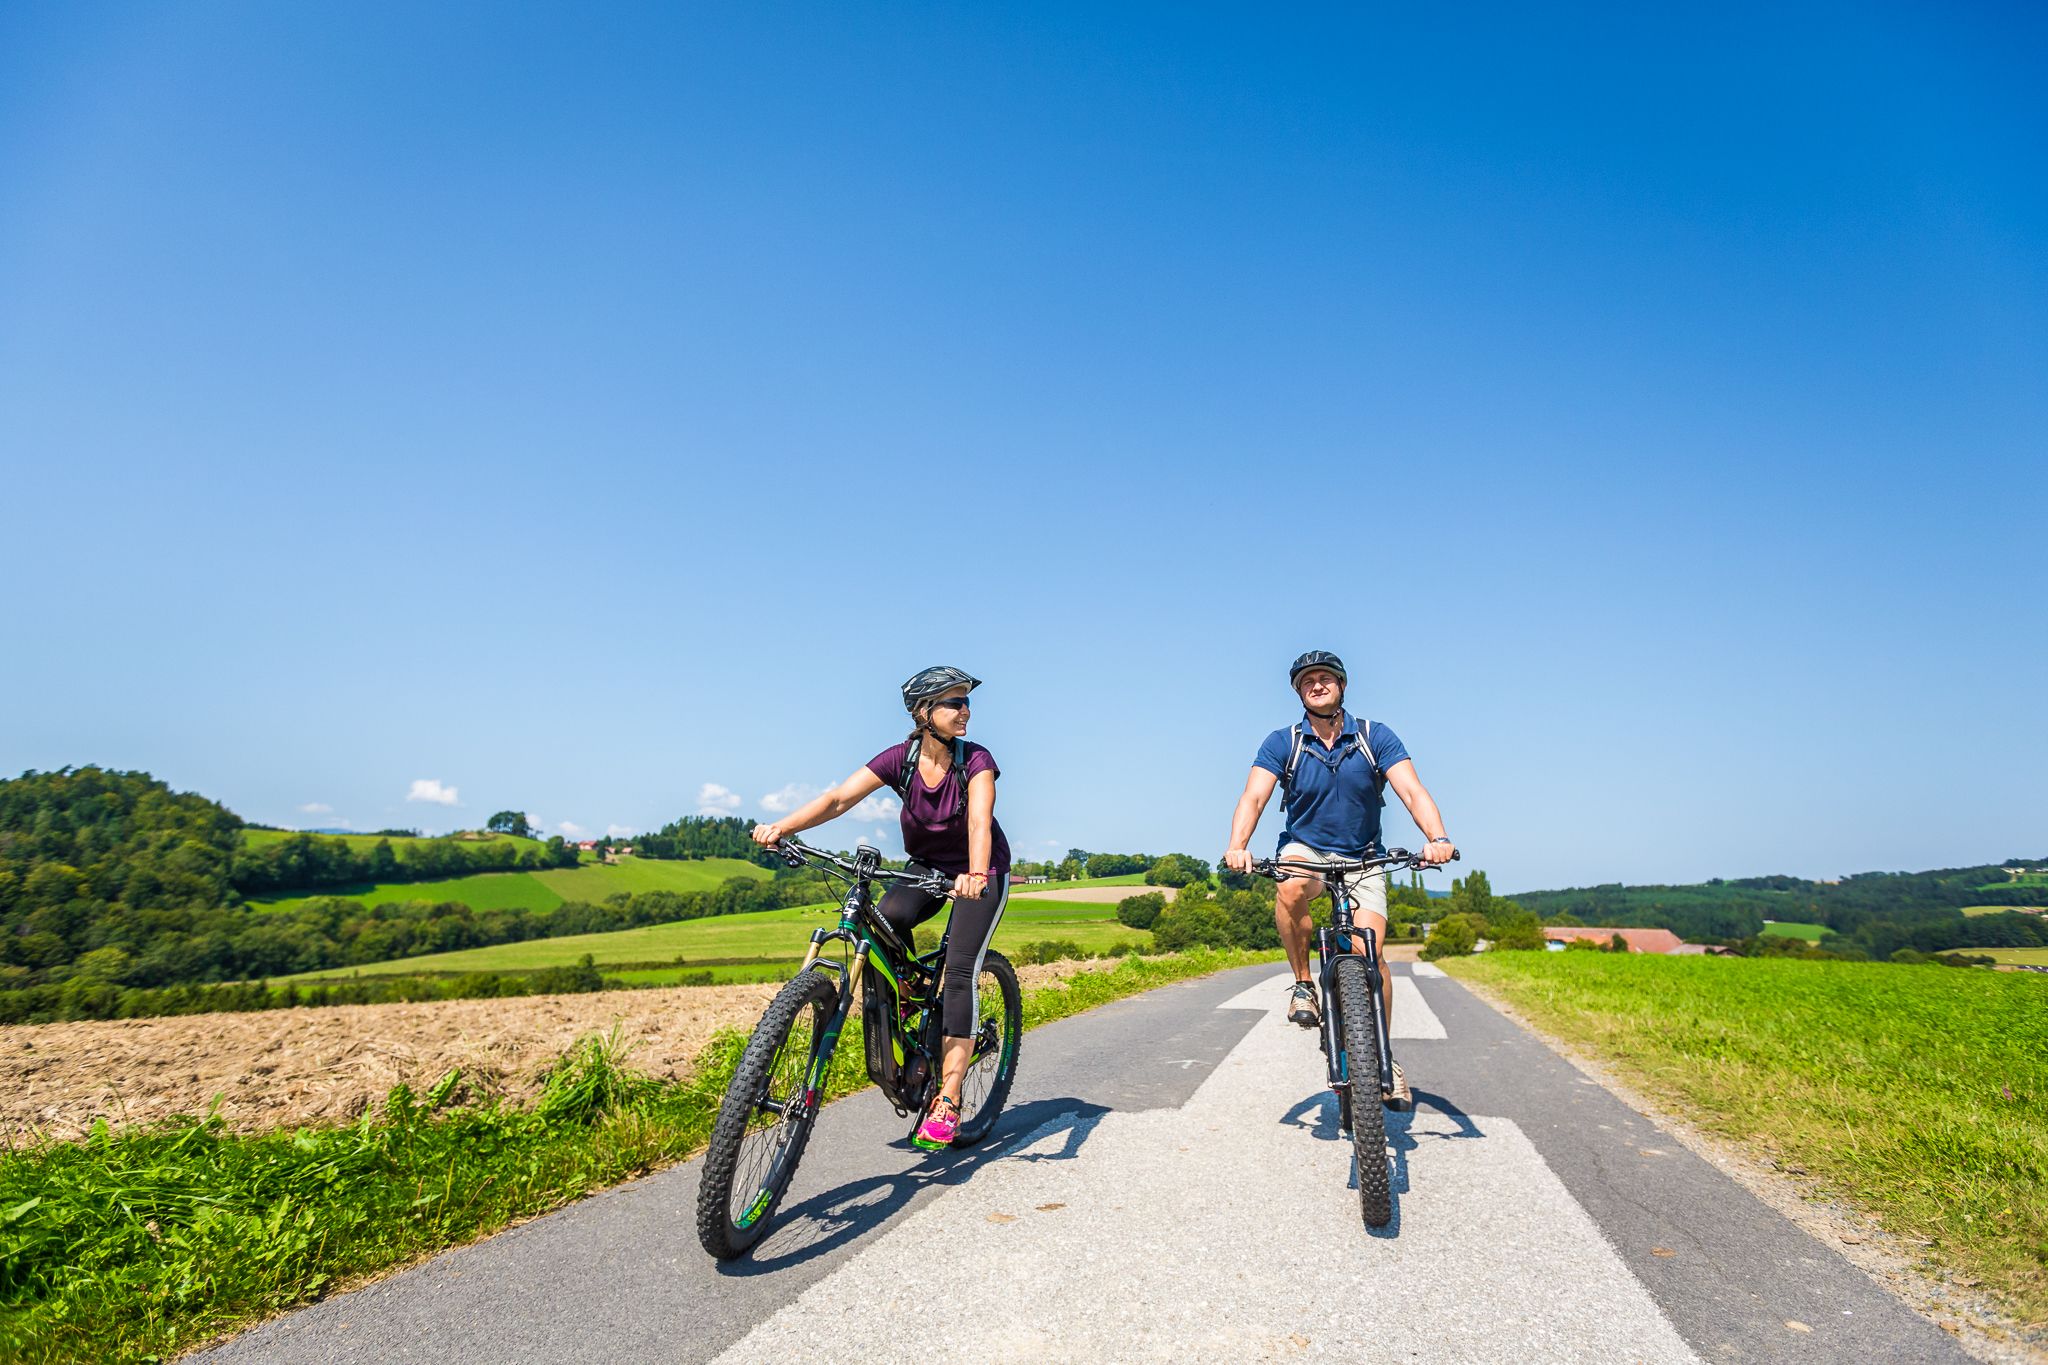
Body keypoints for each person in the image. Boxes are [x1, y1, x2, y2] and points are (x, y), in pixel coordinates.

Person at [751, 665, 1012, 1150]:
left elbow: (980, 821)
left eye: (966, 702)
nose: (965, 711)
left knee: (959, 973)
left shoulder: (976, 759)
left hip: (980, 872)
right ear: (923, 712)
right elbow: (837, 800)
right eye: (954, 702)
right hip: (926, 866)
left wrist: (976, 875)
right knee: (886, 919)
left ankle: (949, 1097)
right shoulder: (901, 759)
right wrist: (783, 828)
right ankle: (910, 988)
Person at [1222, 650, 1456, 1107]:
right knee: (1290, 884)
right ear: (1298, 692)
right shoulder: (1283, 742)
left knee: (1372, 954)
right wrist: (1238, 845)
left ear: (1342, 685)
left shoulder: (1374, 736)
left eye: (1325, 677)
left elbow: (1412, 790)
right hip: (1306, 849)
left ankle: (1383, 1056)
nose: (1317, 684)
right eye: (1307, 680)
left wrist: (1438, 838)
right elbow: (1254, 797)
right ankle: (1303, 984)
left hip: (1363, 857)